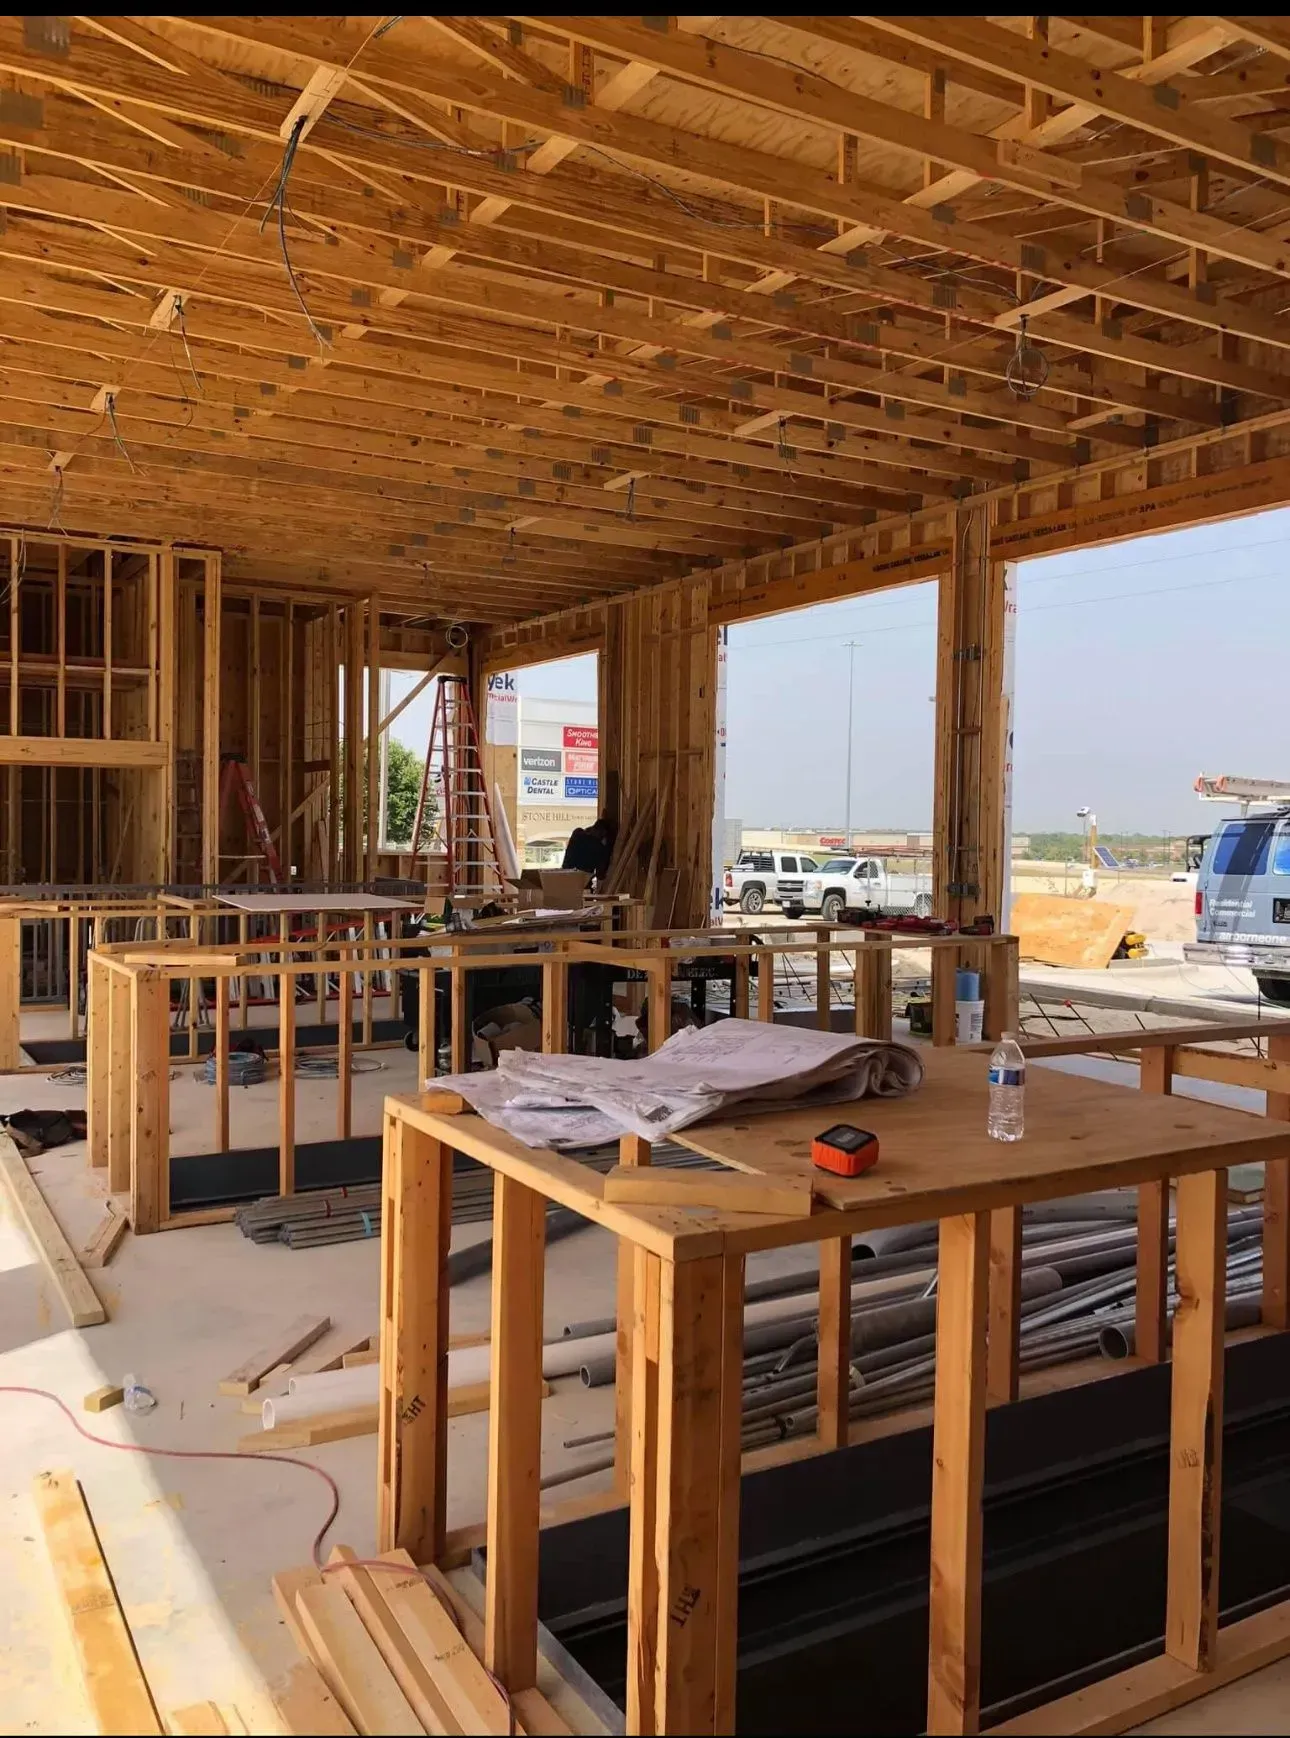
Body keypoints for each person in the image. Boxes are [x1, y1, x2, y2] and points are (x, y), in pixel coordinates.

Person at [561, 815, 615, 884]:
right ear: (603, 833)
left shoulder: (577, 833)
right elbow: (600, 875)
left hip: (564, 877)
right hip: (581, 883)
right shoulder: (601, 849)